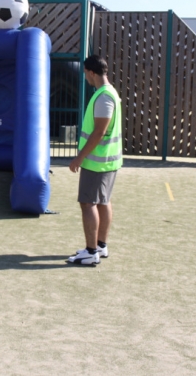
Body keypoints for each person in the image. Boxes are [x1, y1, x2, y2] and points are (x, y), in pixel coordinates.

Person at [67, 55, 122, 266]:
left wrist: (79, 158)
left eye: (84, 72)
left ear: (91, 72)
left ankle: (91, 252)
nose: (84, 76)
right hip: (108, 160)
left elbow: (99, 131)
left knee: (88, 203)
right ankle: (100, 246)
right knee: (103, 201)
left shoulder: (103, 96)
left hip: (97, 162)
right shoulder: (110, 93)